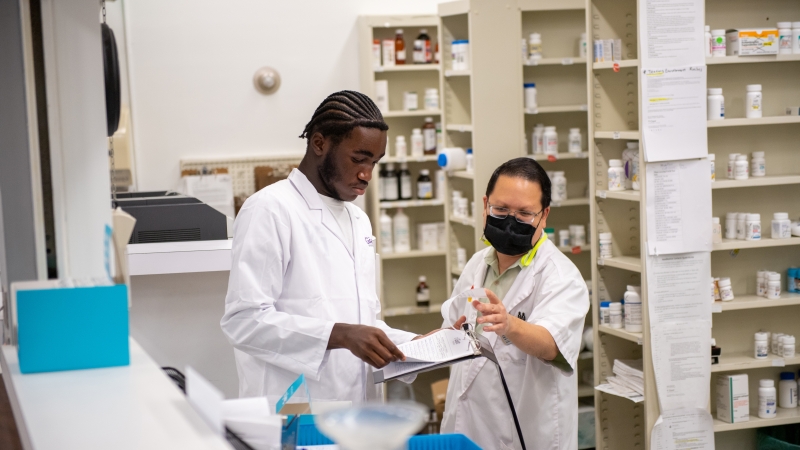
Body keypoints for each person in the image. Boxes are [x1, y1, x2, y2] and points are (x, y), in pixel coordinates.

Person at [220, 90, 447, 405]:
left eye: (375, 163)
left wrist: (417, 345)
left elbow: (363, 324)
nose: (367, 175)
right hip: (296, 406)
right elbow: (244, 321)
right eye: (358, 159)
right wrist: (338, 335)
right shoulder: (270, 209)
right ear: (319, 143)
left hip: (358, 409)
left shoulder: (358, 220)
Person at [439, 158, 590, 450]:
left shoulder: (561, 276)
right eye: (501, 209)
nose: (510, 221)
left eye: (524, 214)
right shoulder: (477, 265)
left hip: (524, 434)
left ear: (544, 215)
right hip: (468, 426)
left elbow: (552, 344)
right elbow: (453, 330)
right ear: (485, 205)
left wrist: (510, 325)